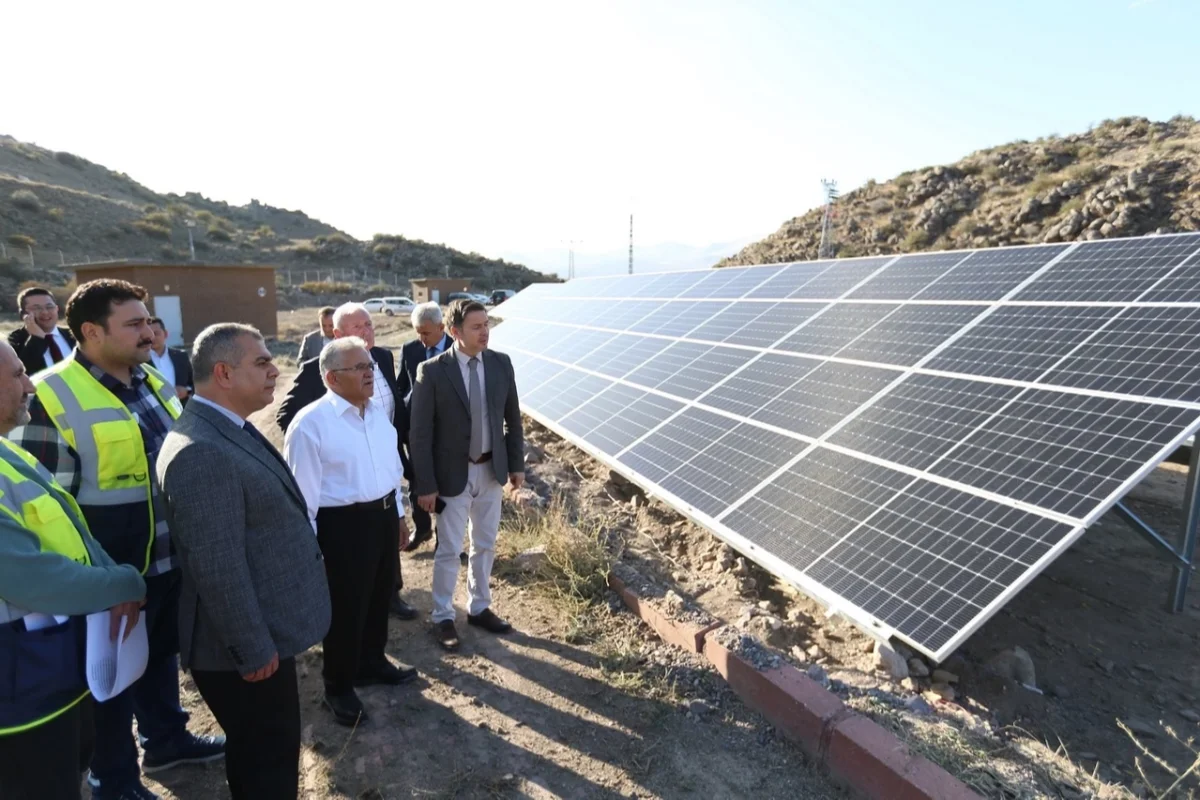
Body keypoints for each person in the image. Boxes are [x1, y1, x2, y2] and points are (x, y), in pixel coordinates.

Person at [10, 279, 224, 800]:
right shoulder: (50, 395)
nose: (148, 331)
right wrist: (95, 584)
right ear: (91, 331)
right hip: (108, 575)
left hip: (166, 561)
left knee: (157, 660)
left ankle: (167, 741)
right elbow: (44, 506)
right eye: (133, 323)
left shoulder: (150, 380)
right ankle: (115, 779)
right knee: (108, 686)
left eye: (148, 320)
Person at [157, 323, 331, 800]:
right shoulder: (201, 453)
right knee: (267, 760)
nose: (276, 370)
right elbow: (219, 567)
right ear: (223, 373)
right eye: (261, 362)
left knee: (266, 751)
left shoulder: (224, 426)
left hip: (261, 633)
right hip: (242, 650)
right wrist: (252, 649)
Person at [0, 340, 147, 800]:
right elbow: (28, 577)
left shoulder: (11, 454)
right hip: (16, 688)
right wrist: (123, 582)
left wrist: (111, 579)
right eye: (18, 374)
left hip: (50, 668)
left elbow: (75, 531)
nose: (30, 385)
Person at [284, 337, 416, 725]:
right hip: (341, 525)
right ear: (331, 377)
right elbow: (302, 498)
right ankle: (338, 686)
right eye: (358, 368)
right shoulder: (310, 424)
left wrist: (399, 516)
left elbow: (391, 468)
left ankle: (372, 663)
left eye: (369, 366)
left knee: (379, 596)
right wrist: (313, 552)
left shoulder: (375, 412)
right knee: (345, 608)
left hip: (382, 515)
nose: (369, 373)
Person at [276, 302, 419, 620]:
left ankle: (391, 596)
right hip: (344, 488)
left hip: (382, 458)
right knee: (349, 590)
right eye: (359, 327)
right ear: (337, 334)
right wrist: (332, 438)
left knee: (386, 550)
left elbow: (393, 405)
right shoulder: (318, 369)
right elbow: (287, 415)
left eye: (369, 324)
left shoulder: (380, 357)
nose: (368, 331)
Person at [410, 299, 525, 651]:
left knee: (485, 544)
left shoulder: (501, 364)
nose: (485, 331)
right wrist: (425, 485)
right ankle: (443, 615)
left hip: (491, 470)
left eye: (486, 324)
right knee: (448, 549)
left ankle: (479, 607)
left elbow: (513, 419)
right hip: (451, 475)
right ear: (454, 332)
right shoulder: (432, 371)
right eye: (476, 327)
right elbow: (420, 433)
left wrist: (517, 464)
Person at [396, 301, 453, 553]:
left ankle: (445, 538)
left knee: (446, 486)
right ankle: (422, 528)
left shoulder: (456, 350)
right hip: (415, 430)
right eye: (417, 332)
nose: (421, 338)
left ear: (442, 327)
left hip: (445, 432)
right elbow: (401, 385)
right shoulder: (409, 350)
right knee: (417, 481)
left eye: (426, 333)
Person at [8, 286, 76, 376]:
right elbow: (22, 372)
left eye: (49, 307)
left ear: (57, 309)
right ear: (23, 314)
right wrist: (37, 338)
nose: (45, 312)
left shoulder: (73, 334)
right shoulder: (16, 339)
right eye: (36, 308)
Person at [148, 318, 193, 405]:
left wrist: (187, 390)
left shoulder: (181, 357)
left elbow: (195, 382)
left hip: (182, 410)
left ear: (165, 334)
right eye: (149, 334)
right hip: (156, 412)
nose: (152, 338)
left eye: (156, 333)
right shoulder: (141, 362)